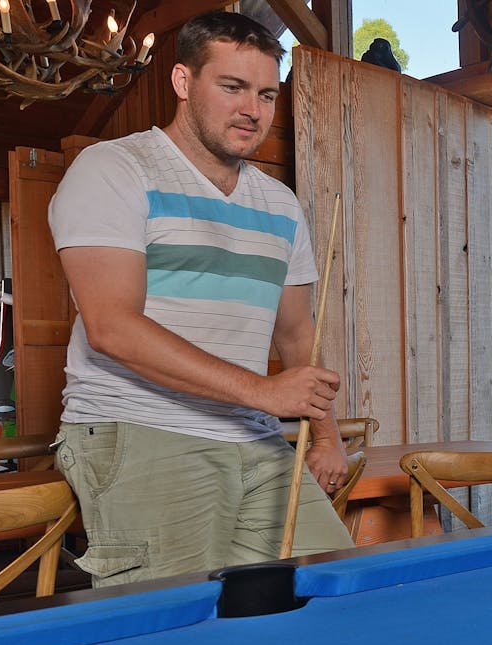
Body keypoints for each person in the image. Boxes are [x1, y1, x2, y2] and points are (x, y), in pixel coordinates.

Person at [48, 11, 352, 587]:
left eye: (266, 93)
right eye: (232, 87)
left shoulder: (281, 205)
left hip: (255, 439)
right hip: (140, 429)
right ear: (184, 83)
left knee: (330, 590)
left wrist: (328, 434)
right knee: (173, 631)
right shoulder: (114, 168)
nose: (252, 110)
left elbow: (294, 332)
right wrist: (264, 392)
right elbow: (112, 326)